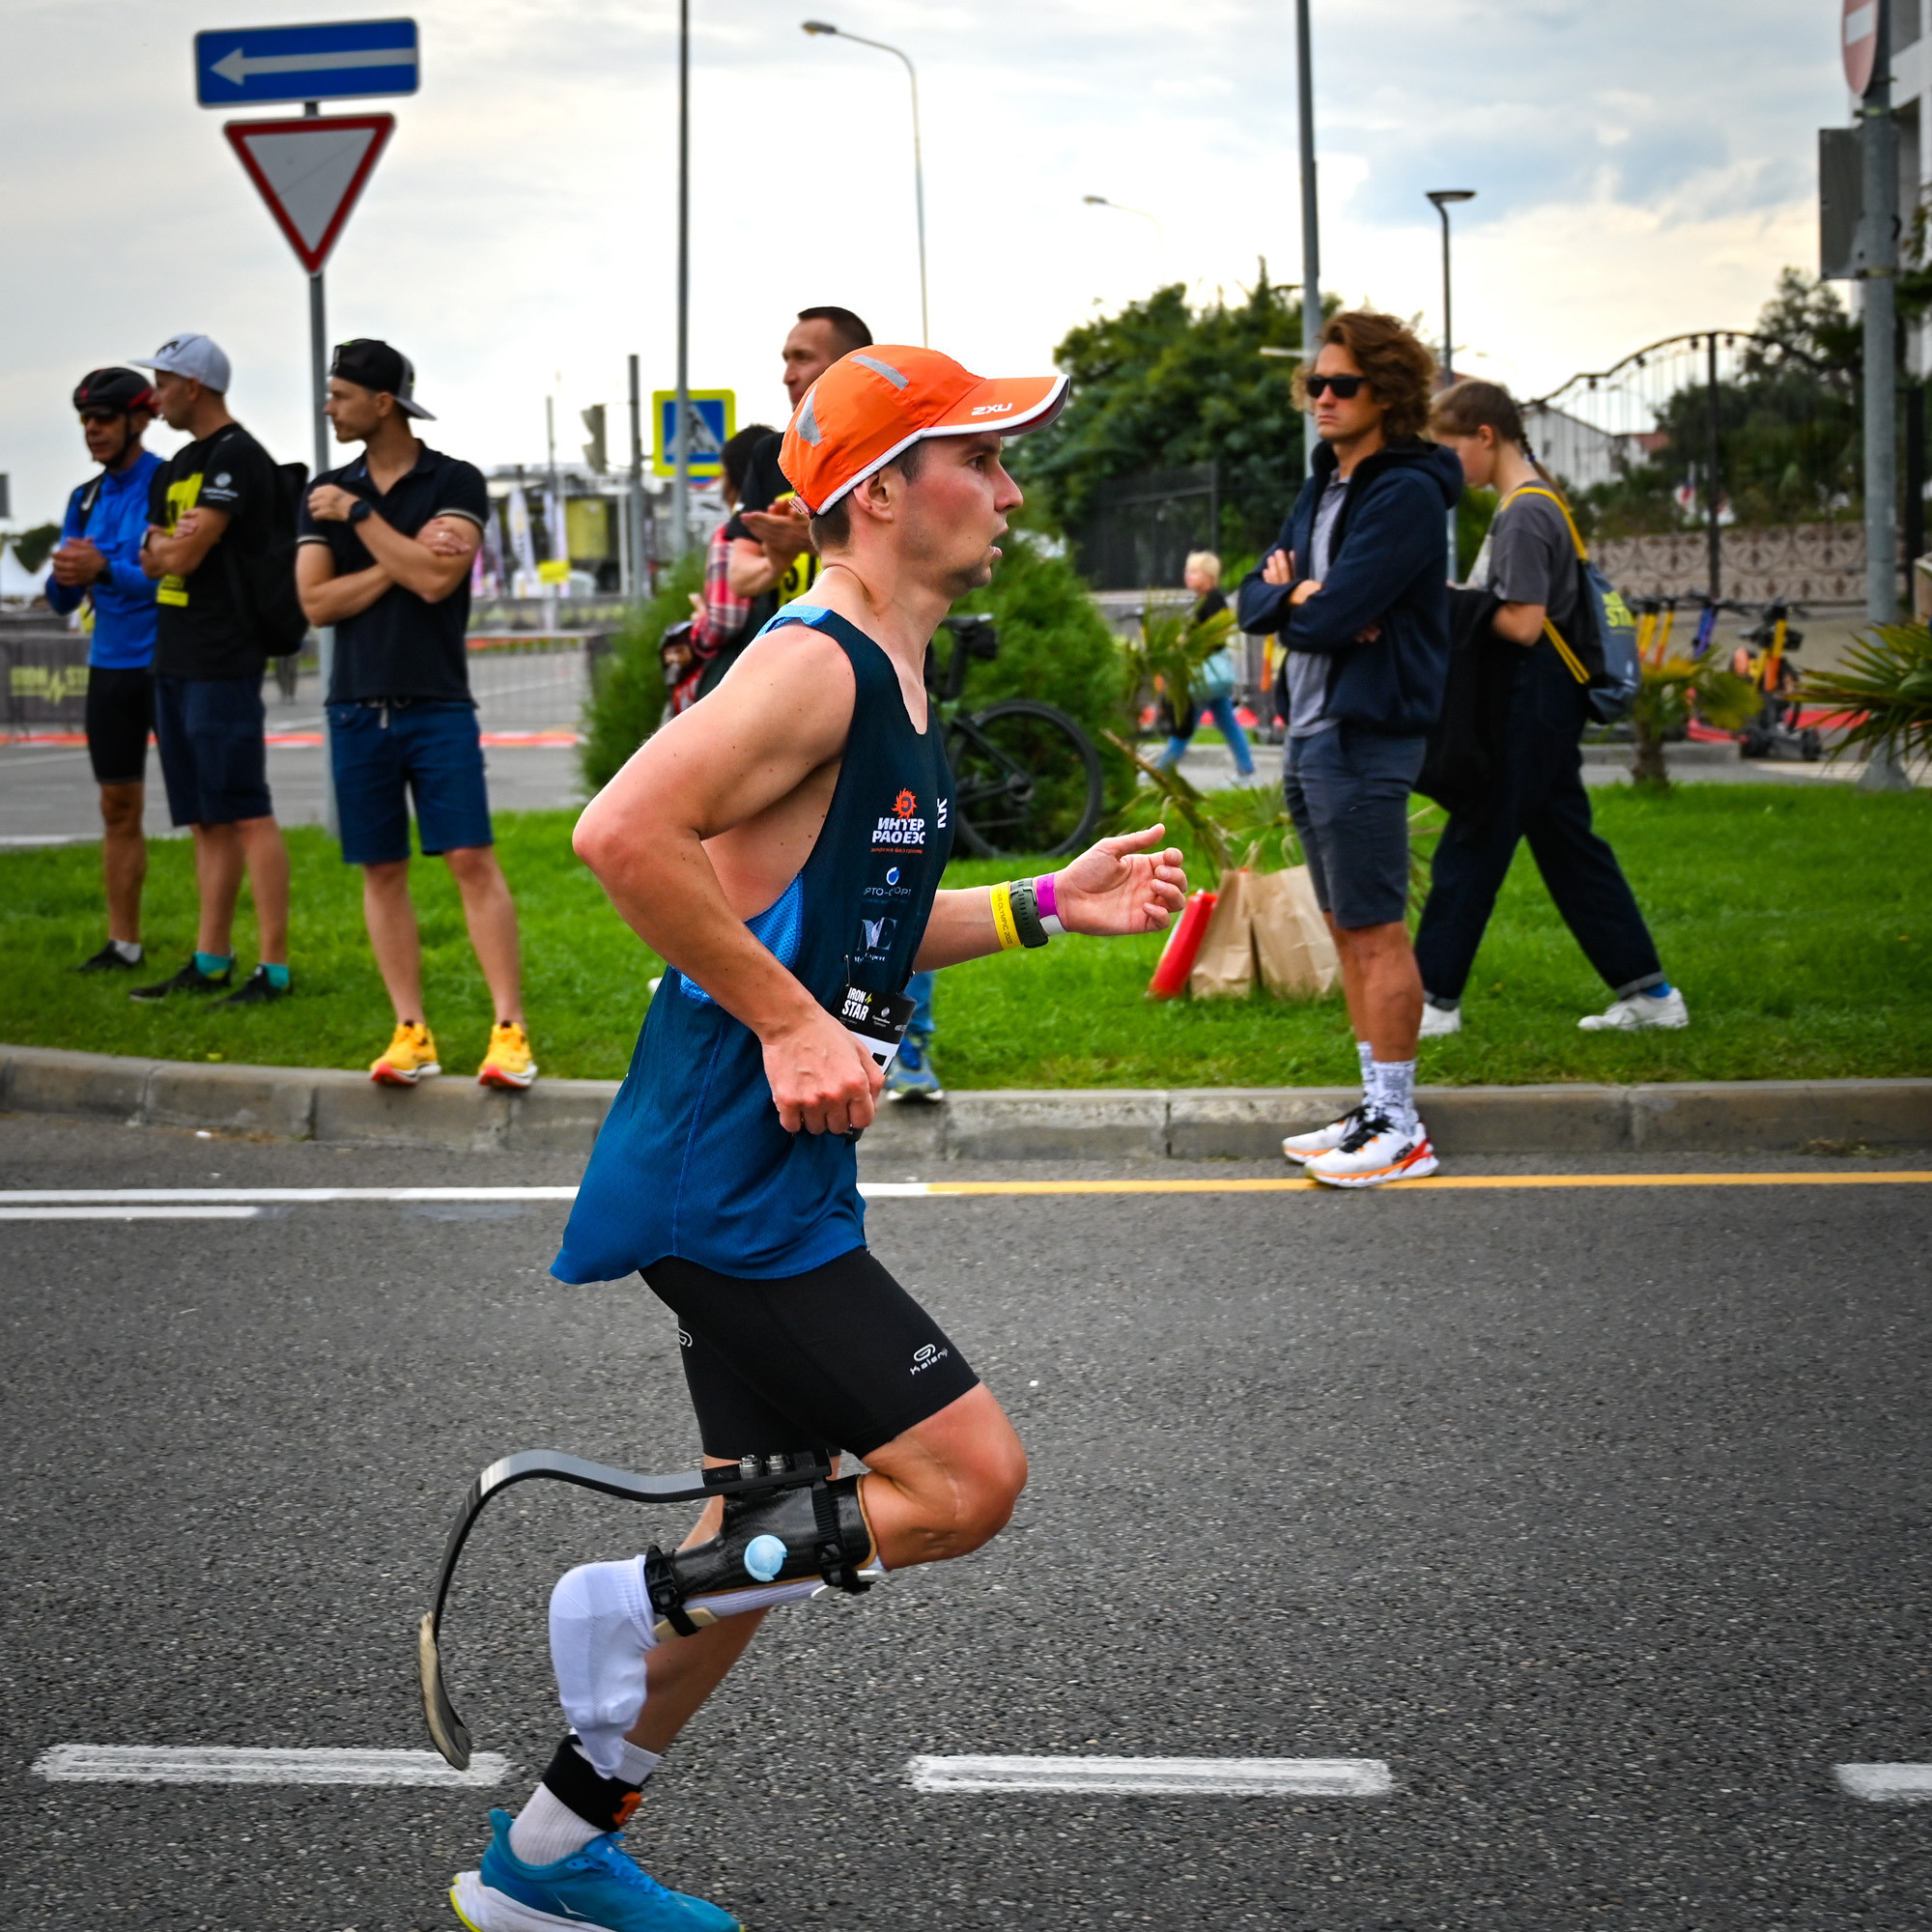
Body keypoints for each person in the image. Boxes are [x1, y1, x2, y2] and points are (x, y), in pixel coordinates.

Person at [444, 344, 1185, 1932]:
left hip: (771, 1174)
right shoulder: (815, 663)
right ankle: (627, 1603)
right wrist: (786, 1025)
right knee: (967, 1479)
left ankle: (549, 1864)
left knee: (766, 1526)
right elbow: (620, 833)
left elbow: (863, 933)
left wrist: (1060, 904)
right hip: (728, 1181)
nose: (1006, 485)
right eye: (976, 456)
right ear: (878, 494)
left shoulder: (899, 676)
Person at [1236, 310, 1462, 1187]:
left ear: (1390, 395)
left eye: (1343, 386)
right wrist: (1297, 601)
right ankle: (1375, 1105)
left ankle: (1402, 1126)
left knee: (1375, 930)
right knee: (1344, 926)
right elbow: (1262, 598)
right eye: (1316, 385)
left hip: (1368, 728)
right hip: (1315, 724)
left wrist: (1305, 604)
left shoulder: (1404, 492)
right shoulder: (1325, 480)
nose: (1323, 399)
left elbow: (1323, 612)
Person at [295, 339, 537, 1089]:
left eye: (340, 395)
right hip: (355, 709)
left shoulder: (452, 480)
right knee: (382, 870)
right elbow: (315, 602)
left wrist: (361, 517)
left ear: (383, 402)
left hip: (437, 703)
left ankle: (511, 1033)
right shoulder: (321, 489)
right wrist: (397, 559)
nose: (328, 408)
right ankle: (412, 1033)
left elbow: (437, 583)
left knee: (470, 858)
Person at [1416, 381, 1687, 1035]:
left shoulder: (1526, 511)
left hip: (1528, 701)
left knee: (1476, 837)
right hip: (1544, 703)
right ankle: (1651, 997)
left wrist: (1448, 601)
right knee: (1570, 849)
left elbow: (1524, 623)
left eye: (1448, 450)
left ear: (1485, 436)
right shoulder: (1540, 500)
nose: (1448, 466)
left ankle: (1430, 1002)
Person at [130, 334, 293, 1008]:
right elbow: (150, 557)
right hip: (173, 655)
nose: (154, 396)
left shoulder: (239, 458)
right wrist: (170, 543)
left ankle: (274, 967)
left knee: (246, 810)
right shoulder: (175, 468)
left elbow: (184, 559)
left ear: (193, 386)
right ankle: (211, 956)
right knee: (204, 817)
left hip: (223, 657)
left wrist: (173, 547)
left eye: (162, 383)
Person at [44, 369, 163, 972]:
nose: (93, 430)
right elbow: (63, 595)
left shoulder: (168, 482)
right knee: (117, 807)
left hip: (170, 664)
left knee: (208, 815)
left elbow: (171, 574)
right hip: (110, 666)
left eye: (105, 419)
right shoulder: (83, 498)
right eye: (86, 420)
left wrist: (104, 570)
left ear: (139, 419)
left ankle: (212, 952)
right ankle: (124, 944)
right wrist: (66, 577)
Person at [664, 423, 774, 717]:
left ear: (738, 476)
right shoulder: (801, 524)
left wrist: (700, 626)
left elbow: (726, 620)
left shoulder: (732, 536)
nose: (719, 482)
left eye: (723, 472)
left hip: (737, 682)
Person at [1152, 550, 1257, 780]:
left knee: (1185, 721)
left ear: (1209, 576)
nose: (1187, 576)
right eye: (1187, 571)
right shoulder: (1202, 602)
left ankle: (1160, 770)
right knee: (1227, 722)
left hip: (1204, 675)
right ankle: (1247, 770)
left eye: (1193, 572)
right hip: (1213, 677)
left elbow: (1214, 637)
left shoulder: (1212, 603)